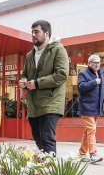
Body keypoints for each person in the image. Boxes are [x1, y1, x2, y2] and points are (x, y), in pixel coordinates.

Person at [20, 20, 69, 154]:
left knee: (47, 140)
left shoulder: (58, 49)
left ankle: (50, 173)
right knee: (38, 141)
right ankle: (42, 172)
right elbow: (24, 74)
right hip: (34, 104)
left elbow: (62, 75)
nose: (33, 35)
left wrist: (36, 83)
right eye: (32, 32)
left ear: (46, 33)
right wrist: (23, 81)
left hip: (51, 103)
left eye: (37, 32)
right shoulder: (30, 55)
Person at [76, 54, 104, 164]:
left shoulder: (102, 74)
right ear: (89, 63)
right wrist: (94, 82)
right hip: (87, 107)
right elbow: (81, 87)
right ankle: (93, 154)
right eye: (94, 62)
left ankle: (82, 154)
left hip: (97, 107)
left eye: (98, 62)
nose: (97, 64)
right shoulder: (83, 73)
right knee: (92, 129)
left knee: (88, 131)